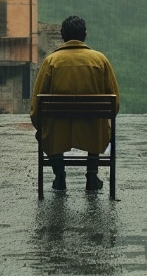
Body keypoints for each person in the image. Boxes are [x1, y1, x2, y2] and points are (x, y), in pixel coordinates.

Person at [31, 15, 120, 192]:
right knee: (98, 126)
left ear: (63, 35)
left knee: (51, 129)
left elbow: (37, 101)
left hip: (58, 128)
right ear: (85, 34)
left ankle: (59, 176)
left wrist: (38, 123)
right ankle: (92, 175)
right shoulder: (100, 60)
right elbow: (114, 102)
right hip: (92, 128)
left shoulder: (51, 61)